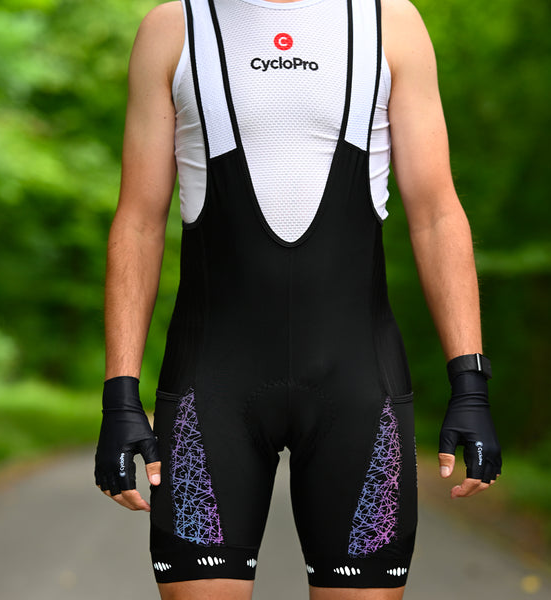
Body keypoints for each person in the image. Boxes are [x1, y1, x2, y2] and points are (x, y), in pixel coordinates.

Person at [94, 0, 502, 597]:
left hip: (357, 390)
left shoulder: (390, 24)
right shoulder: (173, 27)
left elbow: (436, 212)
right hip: (212, 390)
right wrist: (119, 396)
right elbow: (138, 221)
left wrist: (470, 382)